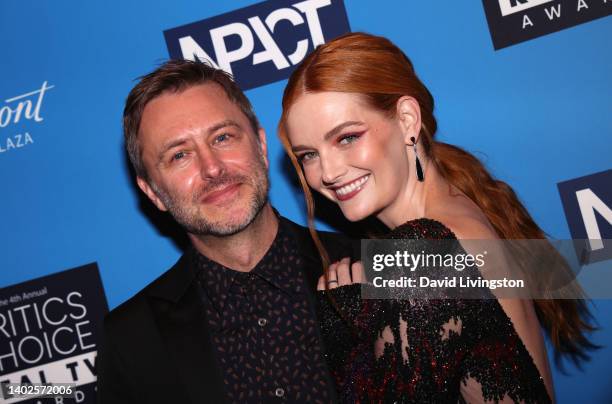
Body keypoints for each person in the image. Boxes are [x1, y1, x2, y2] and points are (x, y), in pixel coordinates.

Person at [278, 32, 596, 403]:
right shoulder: (457, 212)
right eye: (308, 155)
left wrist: (348, 339)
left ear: (407, 119)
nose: (328, 172)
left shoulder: (426, 252)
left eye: (347, 137)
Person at [96, 59, 357, 404]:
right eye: (179, 156)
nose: (212, 168)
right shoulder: (131, 339)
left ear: (261, 146)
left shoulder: (380, 262)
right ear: (153, 193)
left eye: (222, 137)